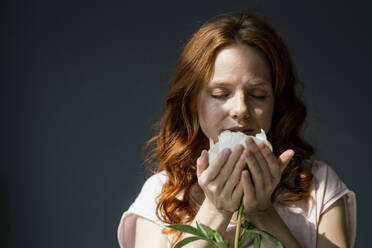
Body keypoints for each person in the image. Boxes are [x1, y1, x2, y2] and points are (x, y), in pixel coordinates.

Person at [117, 12, 356, 248]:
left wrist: (263, 213)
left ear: (276, 102)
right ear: (192, 102)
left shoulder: (317, 185)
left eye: (258, 95)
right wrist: (216, 209)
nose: (241, 109)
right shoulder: (161, 194)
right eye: (221, 94)